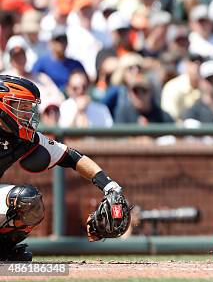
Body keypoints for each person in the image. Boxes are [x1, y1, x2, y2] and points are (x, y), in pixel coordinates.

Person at [0, 74, 128, 260]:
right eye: (22, 107)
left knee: (28, 202)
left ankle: (3, 250)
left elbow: (71, 156)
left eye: (30, 107)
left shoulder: (25, 138)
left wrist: (109, 186)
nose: (29, 114)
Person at [31, 26, 86, 91]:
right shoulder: (42, 63)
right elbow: (32, 81)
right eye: (58, 40)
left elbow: (86, 84)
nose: (61, 43)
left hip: (72, 98)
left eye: (64, 40)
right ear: (51, 42)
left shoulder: (75, 64)